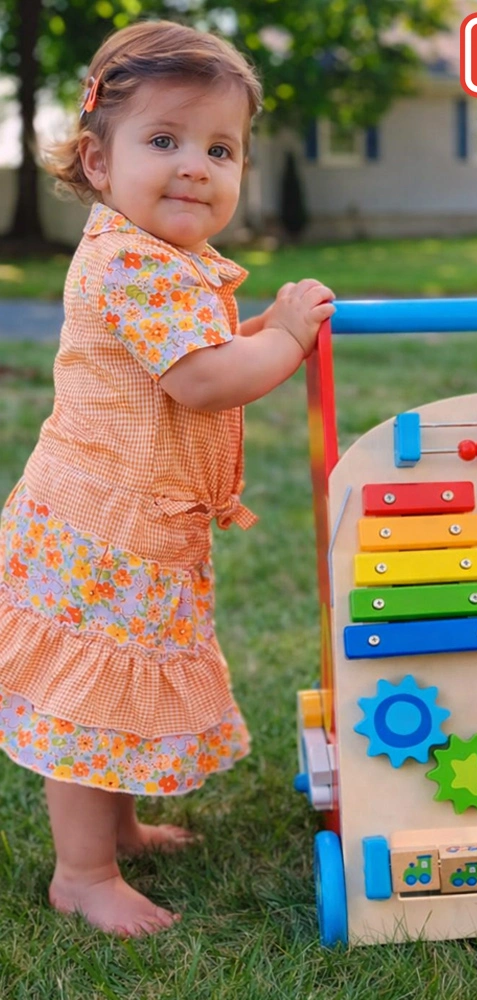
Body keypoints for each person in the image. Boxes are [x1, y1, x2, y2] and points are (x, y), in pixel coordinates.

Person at [0, 20, 335, 938]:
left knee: (112, 692)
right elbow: (203, 377)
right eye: (165, 140)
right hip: (97, 531)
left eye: (220, 148)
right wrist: (289, 337)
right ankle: (83, 872)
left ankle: (121, 828)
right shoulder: (131, 265)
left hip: (131, 526)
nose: (196, 165)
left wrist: (260, 325)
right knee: (88, 699)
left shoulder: (161, 262)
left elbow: (213, 349)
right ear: (97, 163)